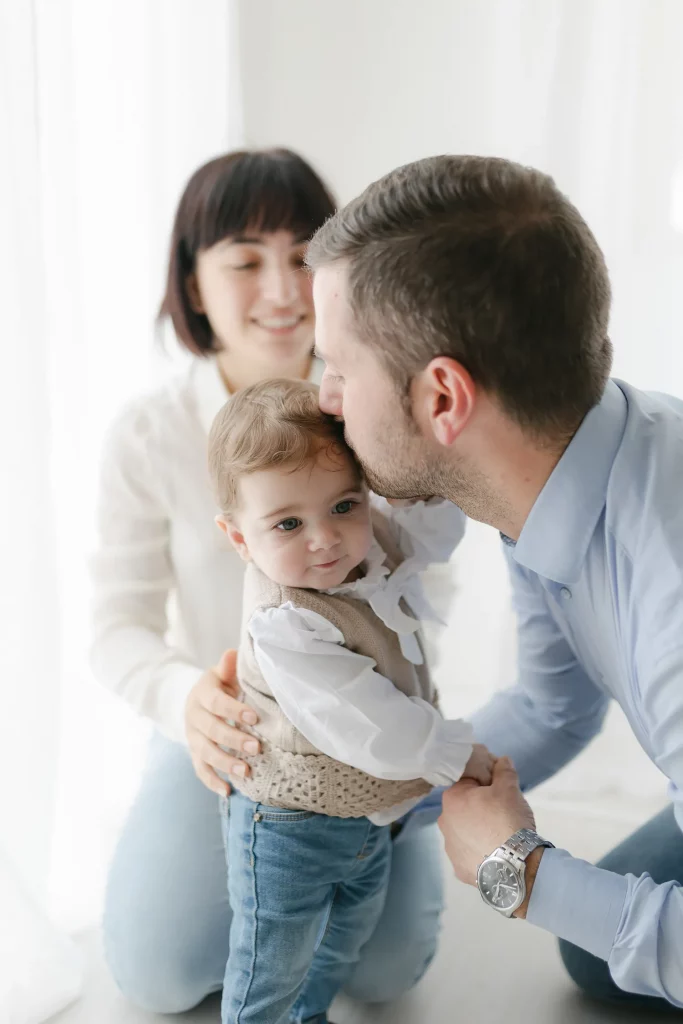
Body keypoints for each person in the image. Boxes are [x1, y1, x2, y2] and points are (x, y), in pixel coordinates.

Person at [302, 154, 683, 1011]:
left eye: (338, 366)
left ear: (443, 398)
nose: (323, 397)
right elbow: (554, 707)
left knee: (590, 920)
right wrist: (372, 794)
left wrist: (522, 873)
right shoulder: (551, 470)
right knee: (597, 955)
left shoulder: (670, 592)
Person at [90, 150, 445, 1014]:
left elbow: (422, 583)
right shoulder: (149, 431)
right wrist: (186, 701)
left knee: (386, 970)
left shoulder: (369, 410)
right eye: (245, 260)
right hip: (227, 732)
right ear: (194, 284)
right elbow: (115, 629)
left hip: (362, 724)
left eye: (305, 256)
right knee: (161, 977)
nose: (283, 289)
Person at [206, 376, 491, 1024]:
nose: (324, 539)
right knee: (268, 966)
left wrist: (413, 468)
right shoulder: (285, 621)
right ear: (239, 538)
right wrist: (456, 753)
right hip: (287, 829)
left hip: (368, 819)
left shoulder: (375, 542)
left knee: (339, 947)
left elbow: (434, 530)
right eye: (287, 523)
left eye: (344, 505)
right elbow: (374, 725)